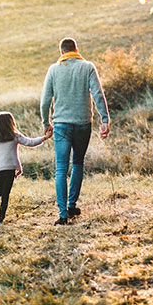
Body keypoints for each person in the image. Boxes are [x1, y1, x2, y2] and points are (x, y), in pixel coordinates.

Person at [40, 37, 110, 225]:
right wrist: (105, 118)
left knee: (61, 169)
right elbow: (98, 94)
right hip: (82, 124)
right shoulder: (87, 67)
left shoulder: (54, 69)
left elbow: (45, 100)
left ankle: (63, 214)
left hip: (61, 124)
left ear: (61, 52)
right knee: (78, 163)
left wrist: (46, 122)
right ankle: (72, 205)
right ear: (76, 50)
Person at [0, 111, 53, 226]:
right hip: (9, 169)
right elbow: (30, 142)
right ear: (10, 124)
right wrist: (44, 138)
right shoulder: (15, 136)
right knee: (5, 194)